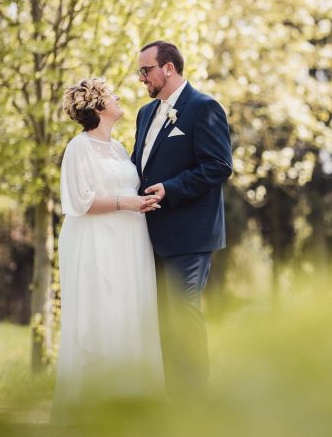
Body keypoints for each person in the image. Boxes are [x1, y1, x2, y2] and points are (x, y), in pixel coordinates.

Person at [54, 78, 165, 418]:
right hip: (94, 240)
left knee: (126, 310)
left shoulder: (118, 149)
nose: (119, 99)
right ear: (99, 106)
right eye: (112, 96)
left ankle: (128, 397)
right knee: (100, 308)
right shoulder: (79, 148)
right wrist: (128, 203)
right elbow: (80, 200)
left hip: (128, 241)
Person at [132, 41, 233, 397]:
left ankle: (194, 404)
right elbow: (138, 169)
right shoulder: (145, 114)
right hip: (150, 236)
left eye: (146, 70)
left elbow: (219, 167)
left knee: (184, 316)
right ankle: (171, 397)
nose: (141, 77)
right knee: (161, 320)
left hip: (191, 237)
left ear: (169, 68)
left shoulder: (204, 108)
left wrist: (170, 189)